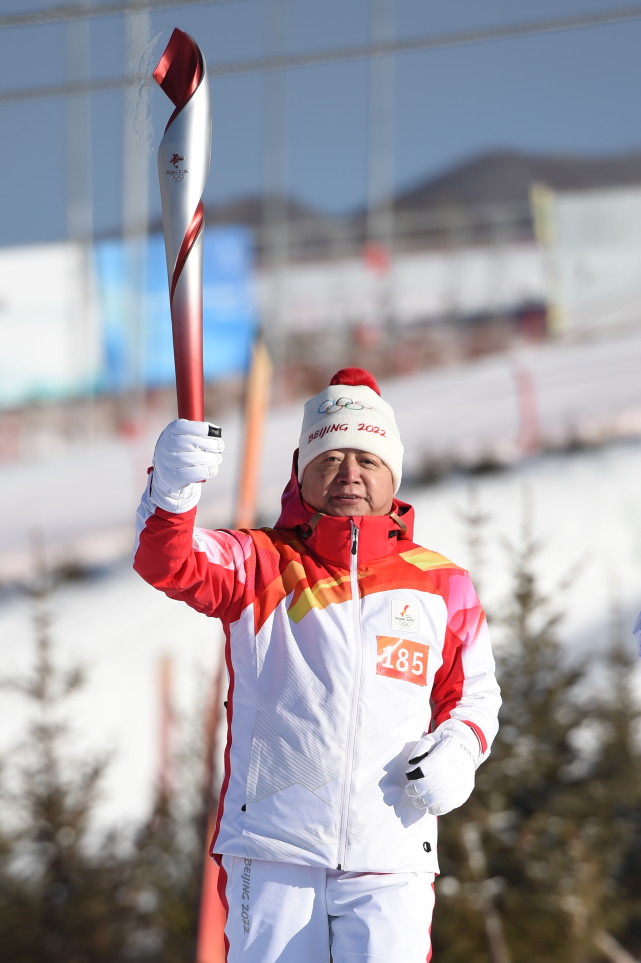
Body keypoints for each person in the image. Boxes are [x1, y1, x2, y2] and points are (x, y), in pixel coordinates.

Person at [133, 367, 501, 963]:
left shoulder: (443, 584)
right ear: (302, 471)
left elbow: (473, 697)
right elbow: (167, 561)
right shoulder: (259, 564)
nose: (349, 474)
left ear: (392, 474)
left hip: (392, 852)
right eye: (329, 459)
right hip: (274, 850)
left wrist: (460, 748)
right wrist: (173, 490)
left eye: (367, 459)